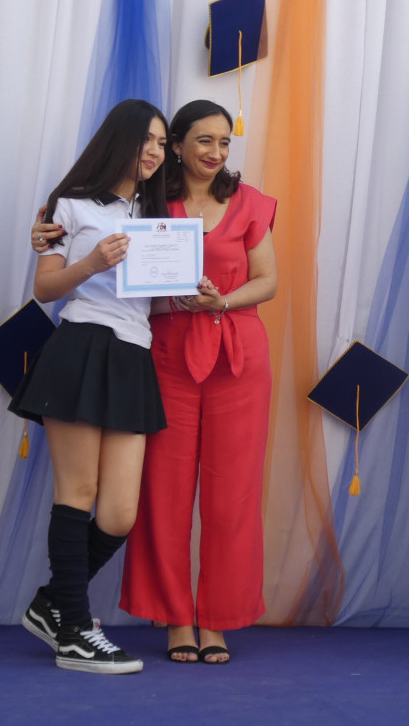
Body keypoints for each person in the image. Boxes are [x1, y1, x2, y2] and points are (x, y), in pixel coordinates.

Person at [36, 101, 276, 664]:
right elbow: (55, 274)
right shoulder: (120, 202)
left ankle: (62, 604)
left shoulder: (177, 205)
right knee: (117, 497)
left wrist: (215, 300)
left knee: (155, 507)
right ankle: (100, 621)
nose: (215, 152)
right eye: (200, 140)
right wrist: (56, 242)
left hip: (169, 353)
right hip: (122, 350)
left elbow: (262, 280)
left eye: (225, 141)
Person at [10, 99, 169, 674]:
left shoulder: (158, 213)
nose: (154, 151)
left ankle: (54, 604)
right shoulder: (70, 205)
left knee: (120, 513)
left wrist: (187, 290)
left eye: (162, 143)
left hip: (133, 352)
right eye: (146, 139)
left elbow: (153, 296)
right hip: (81, 346)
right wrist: (93, 263)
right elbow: (46, 290)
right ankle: (75, 632)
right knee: (77, 492)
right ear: (119, 139)